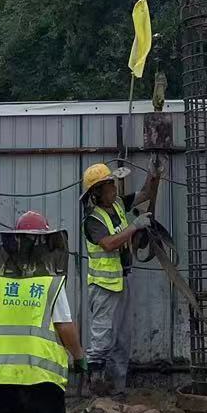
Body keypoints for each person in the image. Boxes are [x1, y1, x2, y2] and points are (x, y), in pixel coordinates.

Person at [0, 209, 87, 413]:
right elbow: (65, 326)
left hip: (1, 383)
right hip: (43, 384)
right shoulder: (50, 283)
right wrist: (79, 357)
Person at [80, 161, 151, 395]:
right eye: (109, 185)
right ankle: (96, 388)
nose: (114, 188)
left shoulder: (118, 204)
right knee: (102, 337)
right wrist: (134, 227)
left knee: (122, 338)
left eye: (113, 184)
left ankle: (117, 389)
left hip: (121, 280)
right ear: (97, 193)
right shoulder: (93, 220)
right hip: (104, 286)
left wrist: (154, 174)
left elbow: (145, 194)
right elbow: (109, 244)